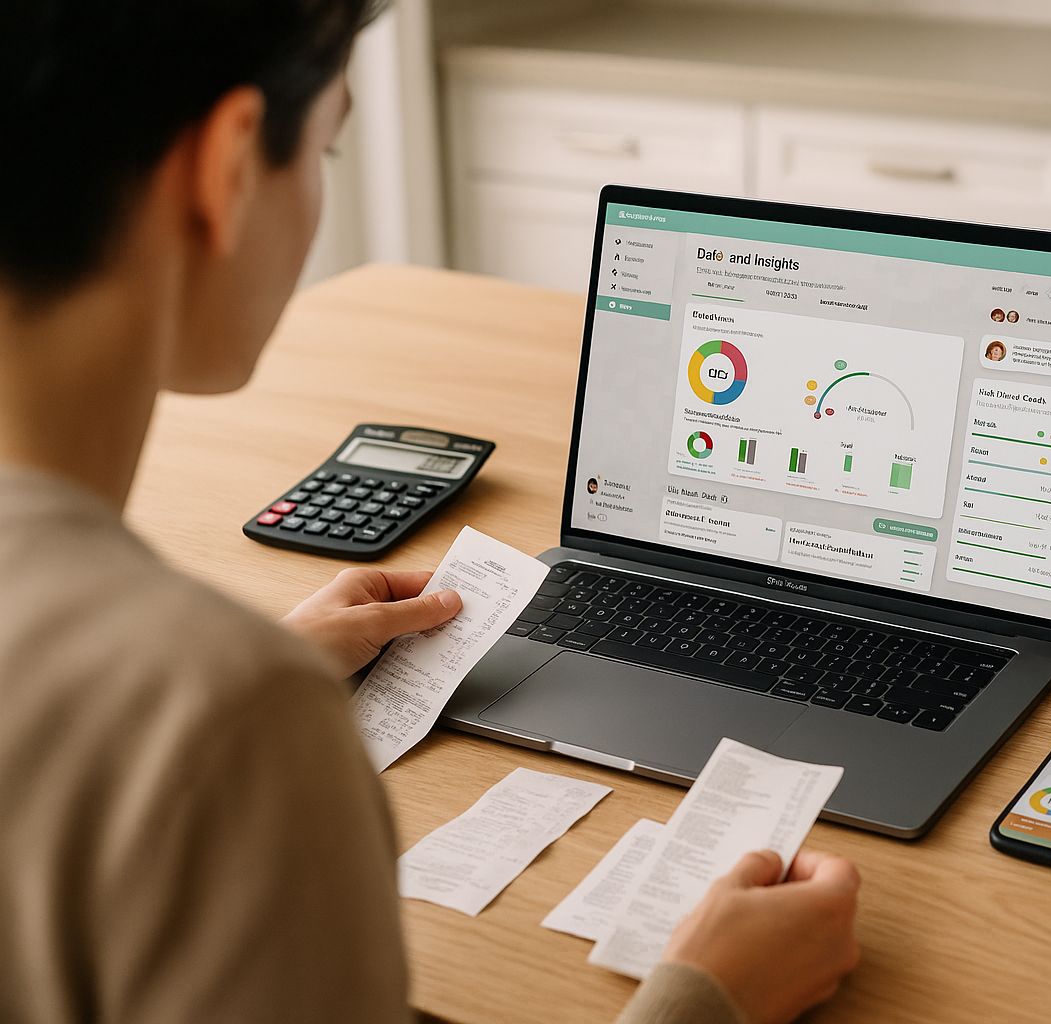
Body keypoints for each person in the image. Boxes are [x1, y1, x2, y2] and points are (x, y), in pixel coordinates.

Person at [0, 3, 860, 1023]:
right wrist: (707, 997)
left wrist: (226, 687)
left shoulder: (189, 699)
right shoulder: (230, 722)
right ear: (226, 166)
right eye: (329, 143)